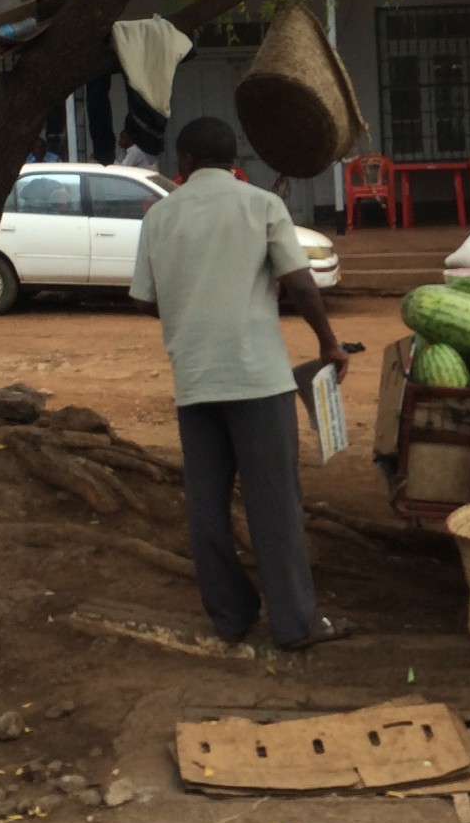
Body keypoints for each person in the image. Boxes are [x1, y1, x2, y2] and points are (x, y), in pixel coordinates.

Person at [127, 116, 355, 651]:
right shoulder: (262, 205)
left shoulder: (159, 217)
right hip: (258, 379)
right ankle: (295, 623)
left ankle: (231, 615)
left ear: (182, 163)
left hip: (196, 380)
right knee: (273, 505)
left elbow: (142, 299)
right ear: (235, 161)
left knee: (206, 510)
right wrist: (328, 342)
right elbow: (299, 281)